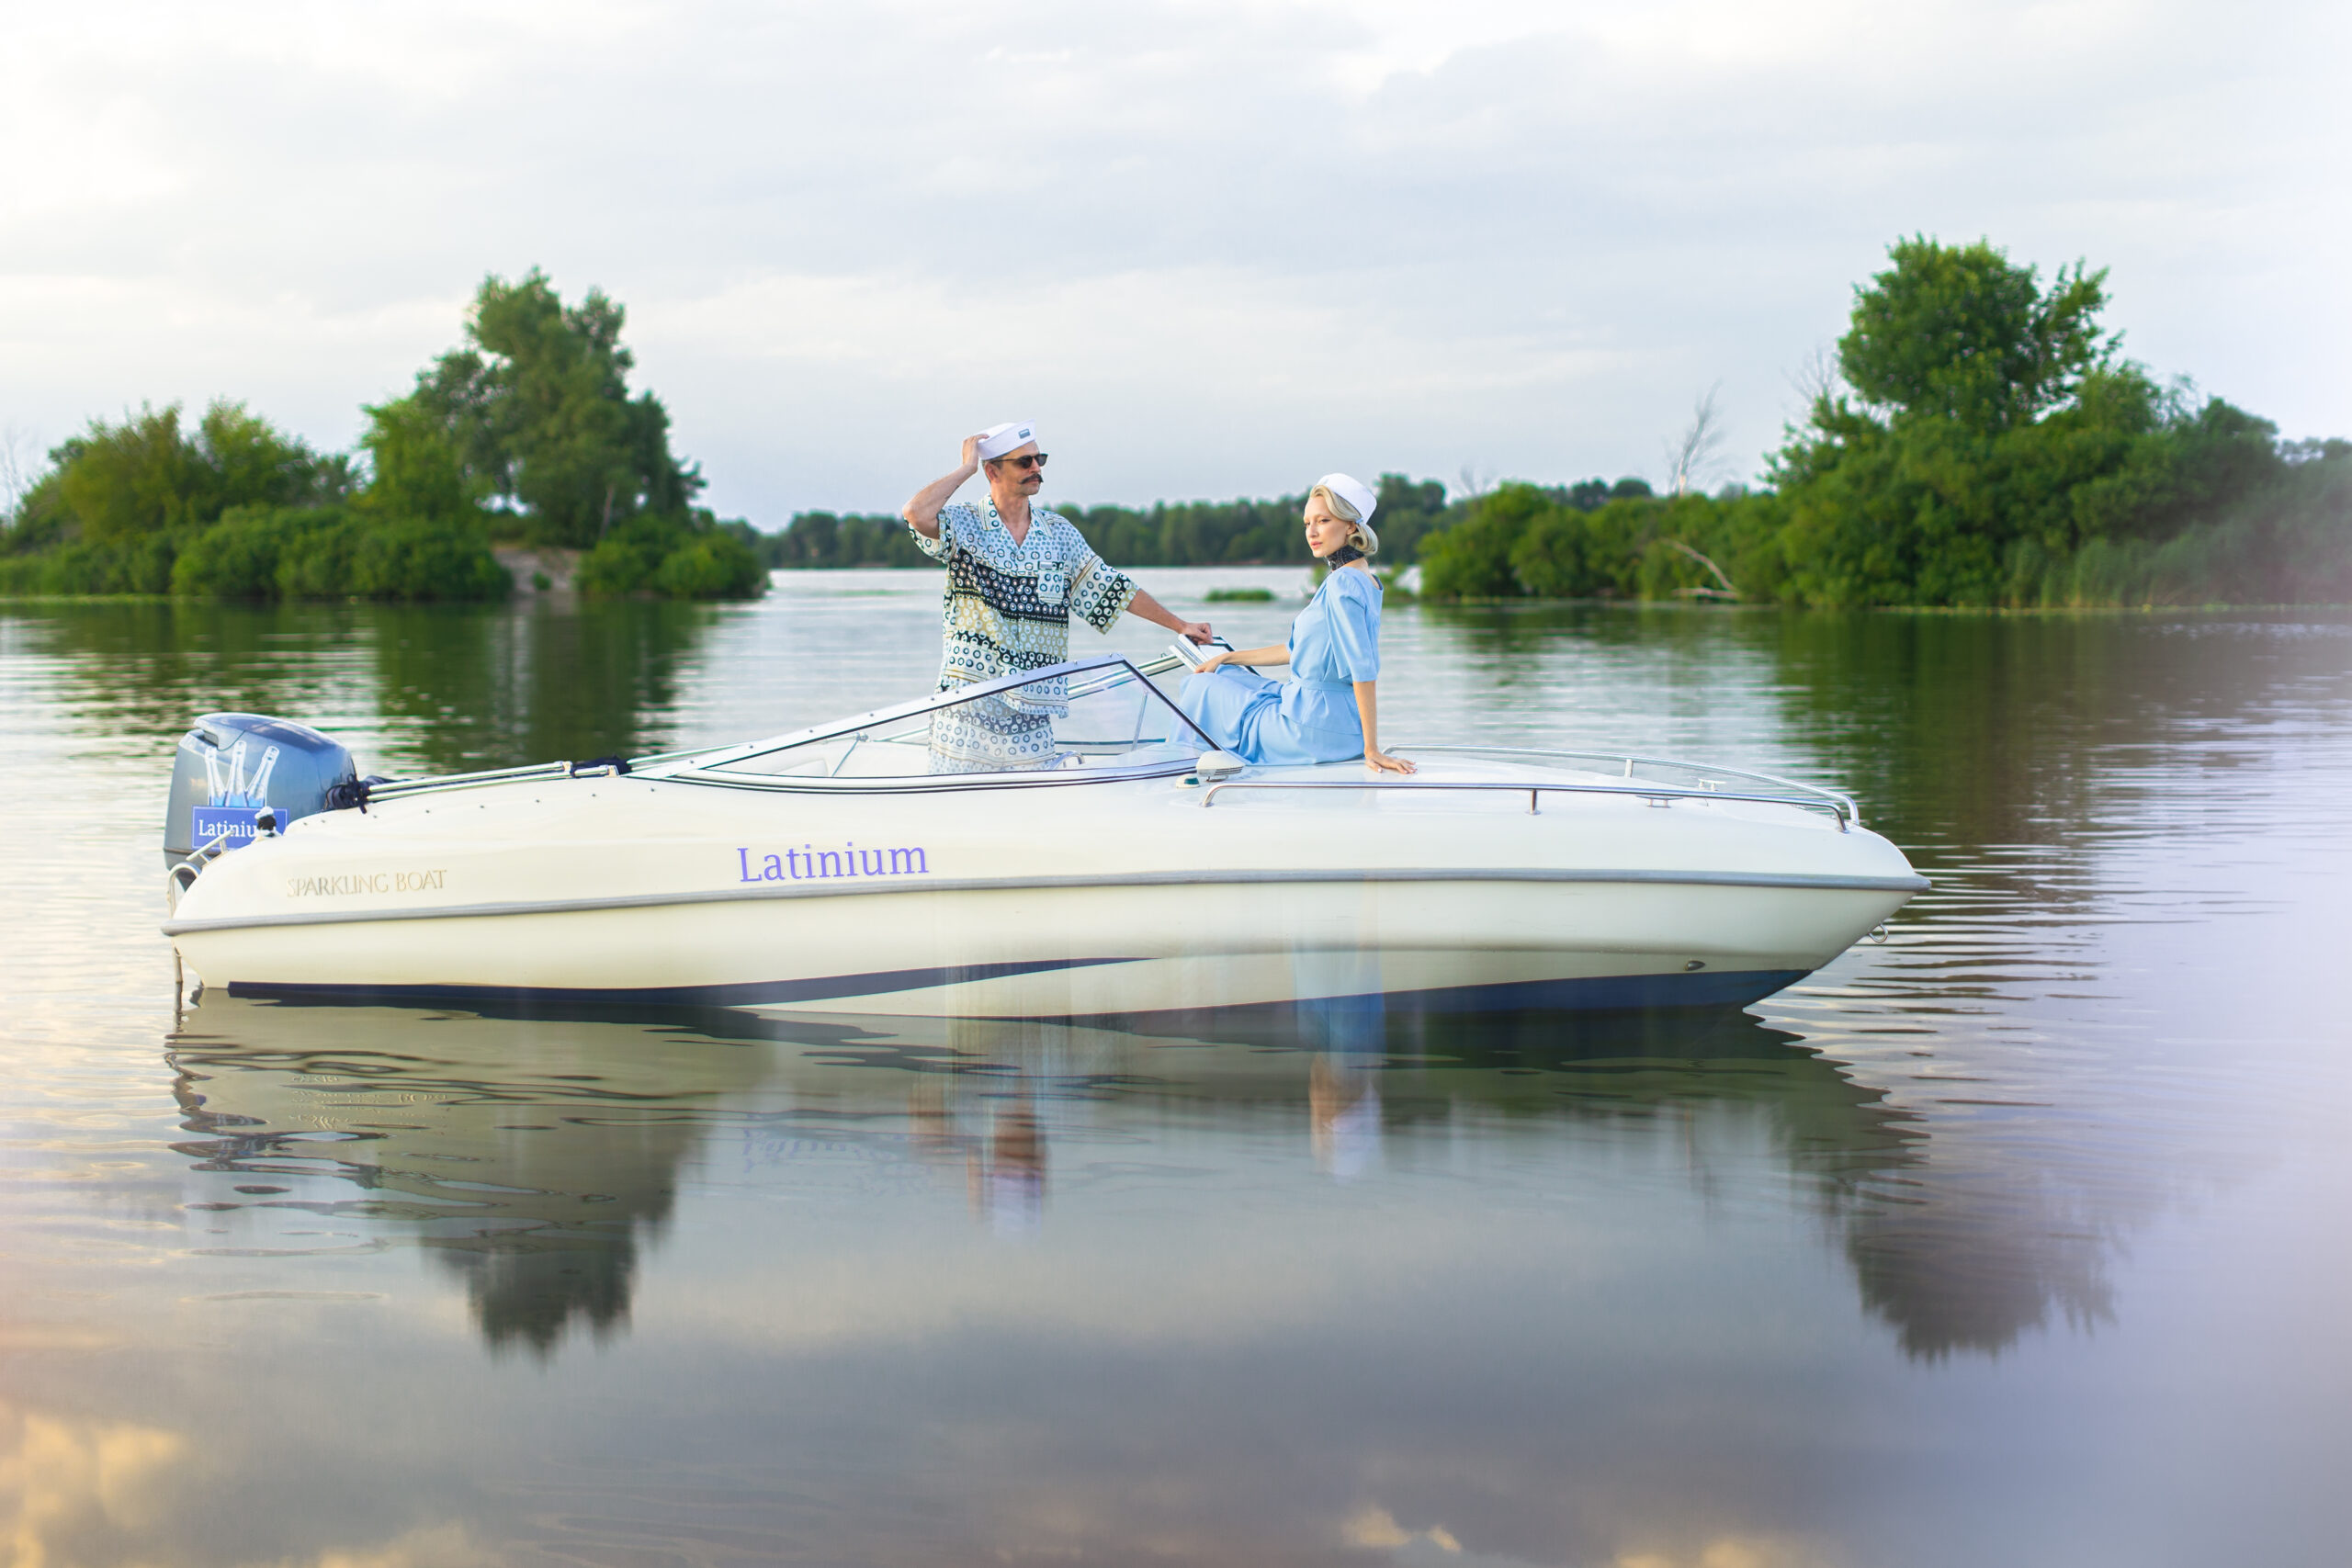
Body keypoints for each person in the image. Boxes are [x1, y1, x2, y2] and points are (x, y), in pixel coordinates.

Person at [903, 422, 1211, 772]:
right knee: (960, 810)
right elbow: (916, 513)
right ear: (992, 471)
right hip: (969, 706)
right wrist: (964, 469)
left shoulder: (1058, 533)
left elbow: (1111, 588)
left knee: (1031, 814)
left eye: (1039, 459)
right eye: (1024, 462)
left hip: (1033, 709)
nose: (1036, 468)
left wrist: (1180, 625)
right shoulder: (965, 523)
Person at [1181, 473, 1416, 773]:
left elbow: (1363, 666)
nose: (1312, 532)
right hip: (1341, 722)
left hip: (1312, 728)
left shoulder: (1341, 585)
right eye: (1307, 523)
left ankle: (1180, 771)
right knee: (1227, 673)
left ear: (1351, 525)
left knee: (1198, 686)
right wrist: (1226, 657)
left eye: (1323, 521)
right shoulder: (1365, 581)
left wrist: (1372, 749)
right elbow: (1295, 650)